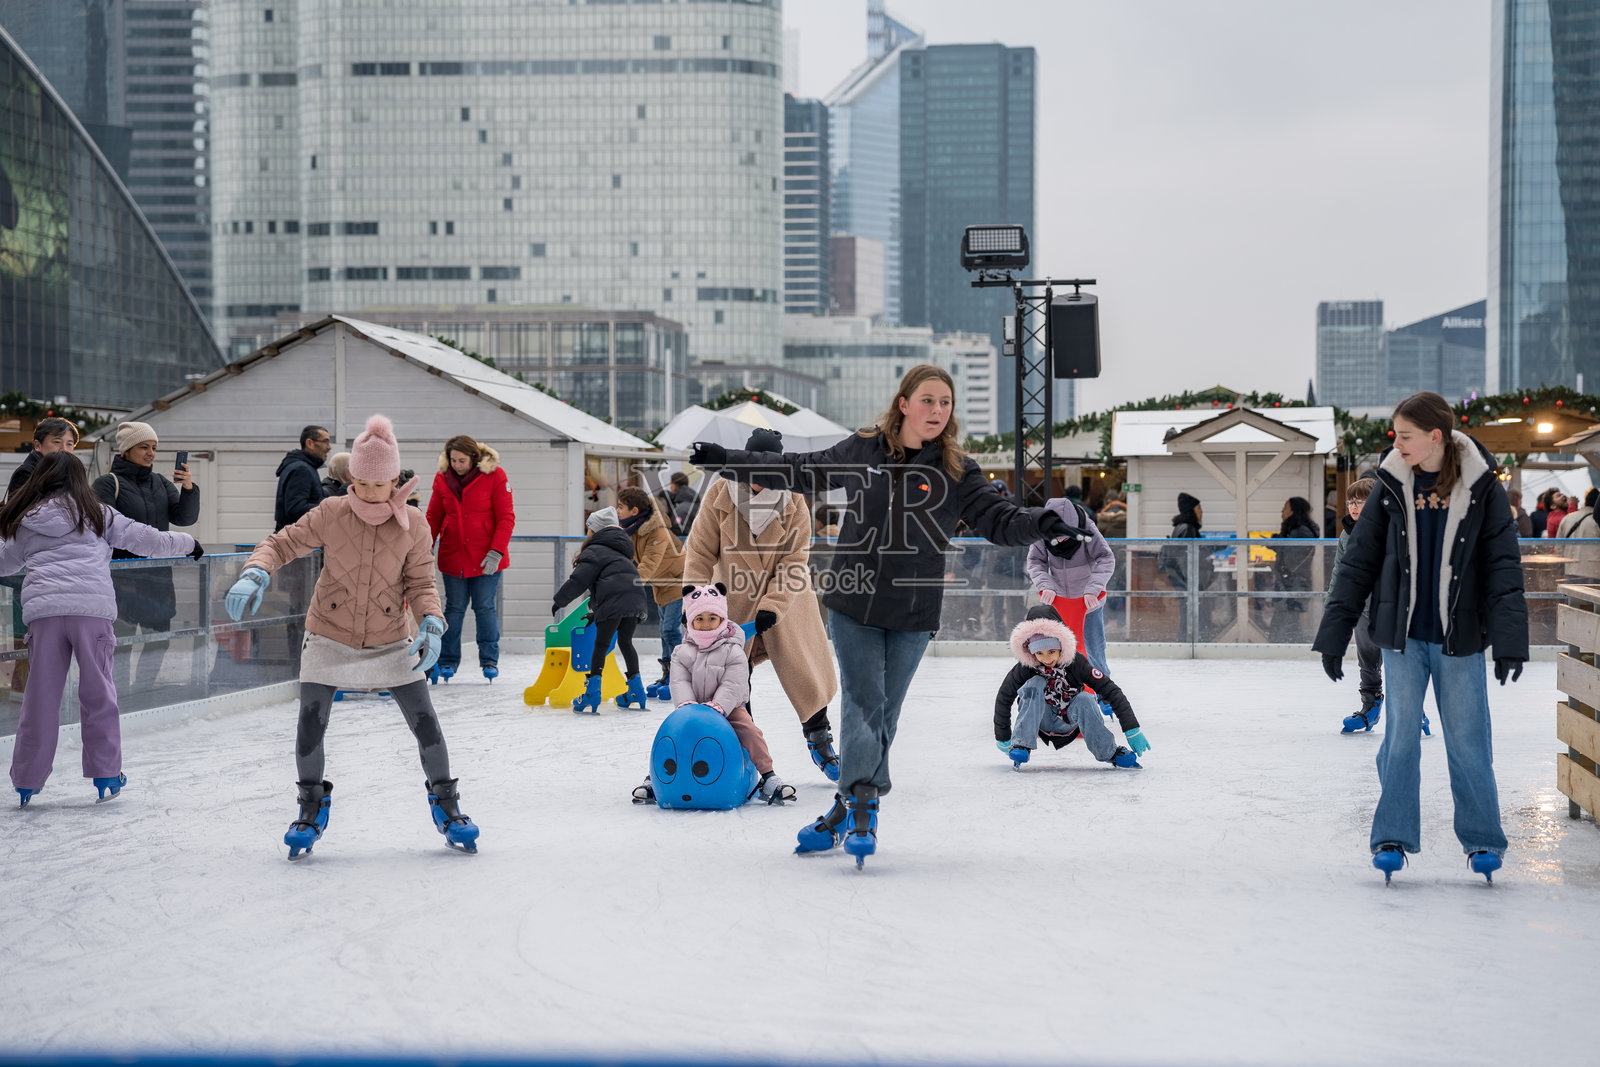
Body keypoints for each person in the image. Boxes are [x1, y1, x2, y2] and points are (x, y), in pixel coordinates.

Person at [688, 363, 1089, 866]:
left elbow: (1001, 521)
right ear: (904, 403)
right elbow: (800, 470)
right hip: (854, 606)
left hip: (914, 611)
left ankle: (842, 808)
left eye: (945, 403)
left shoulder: (957, 471)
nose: (937, 411)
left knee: (885, 714)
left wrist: (1045, 523)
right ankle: (862, 811)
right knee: (862, 704)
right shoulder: (864, 450)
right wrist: (728, 461)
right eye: (928, 400)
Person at [225, 414, 478, 857]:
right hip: (328, 633)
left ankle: (447, 805)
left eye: (376, 485)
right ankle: (309, 809)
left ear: (394, 480)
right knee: (310, 723)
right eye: (357, 483)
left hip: (390, 638)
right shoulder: (332, 512)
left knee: (427, 726)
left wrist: (432, 622)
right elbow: (282, 542)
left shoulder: (415, 524)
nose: (365, 492)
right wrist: (256, 569)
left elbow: (421, 584)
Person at [1313, 391, 1526, 884]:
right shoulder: (1390, 484)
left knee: (1470, 743)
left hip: (1461, 638)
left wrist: (1511, 638)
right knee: (1401, 739)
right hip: (1402, 639)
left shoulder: (1481, 486)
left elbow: (1502, 565)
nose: (1397, 443)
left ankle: (1482, 842)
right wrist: (1335, 631)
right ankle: (1391, 837)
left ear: (1435, 436)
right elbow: (1358, 563)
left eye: (1405, 435)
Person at [0, 452, 202, 807]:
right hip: (91, 613)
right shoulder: (98, 514)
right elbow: (148, 540)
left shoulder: (26, 519)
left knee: (40, 698)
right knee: (98, 694)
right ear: (79, 479)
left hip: (44, 614)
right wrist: (189, 544)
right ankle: (106, 774)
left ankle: (27, 780)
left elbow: (4, 562)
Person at [684, 428, 840, 781]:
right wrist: (694, 597)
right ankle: (742, 750)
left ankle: (820, 740)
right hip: (733, 602)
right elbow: (699, 551)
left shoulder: (794, 501)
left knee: (806, 679)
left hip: (785, 603)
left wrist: (773, 604)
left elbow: (795, 561)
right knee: (733, 680)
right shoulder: (720, 494)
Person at [632, 582, 796, 806]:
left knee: (749, 730)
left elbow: (734, 682)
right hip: (691, 707)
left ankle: (768, 776)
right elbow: (679, 680)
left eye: (712, 618)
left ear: (722, 619)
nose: (706, 624)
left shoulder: (733, 649)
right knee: (673, 735)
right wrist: (688, 704)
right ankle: (654, 780)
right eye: (700, 618)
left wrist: (719, 706)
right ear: (690, 621)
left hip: (729, 709)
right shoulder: (682, 652)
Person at [92, 420, 199, 693]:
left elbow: (184, 519)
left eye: (154, 447)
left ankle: (142, 694)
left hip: (158, 580)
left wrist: (188, 488)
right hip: (121, 580)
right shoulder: (107, 484)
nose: (151, 453)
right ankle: (116, 697)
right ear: (126, 449)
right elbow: (106, 529)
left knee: (158, 641)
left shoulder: (161, 482)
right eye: (144, 447)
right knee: (120, 645)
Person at [993, 603, 1146, 769]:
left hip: (1068, 721)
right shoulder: (1026, 667)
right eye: (1039, 653)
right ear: (1031, 652)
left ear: (1061, 645)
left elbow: (1109, 689)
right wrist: (1003, 736)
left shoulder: (1076, 662)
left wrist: (1132, 729)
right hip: (1039, 720)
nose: (1046, 659)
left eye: (1051, 651)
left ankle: (1109, 752)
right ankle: (1021, 745)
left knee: (1086, 699)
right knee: (1035, 683)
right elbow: (1004, 696)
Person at [425, 434, 514, 682]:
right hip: (454, 555)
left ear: (473, 458)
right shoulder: (442, 478)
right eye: (453, 460)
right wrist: (424, 547)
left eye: (462, 460)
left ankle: (489, 660)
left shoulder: (495, 475)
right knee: (453, 608)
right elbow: (433, 516)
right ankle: (447, 661)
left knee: (484, 607)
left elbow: (506, 517)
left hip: (487, 557)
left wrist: (496, 551)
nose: (457, 465)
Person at [553, 506, 650, 713]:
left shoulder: (595, 551)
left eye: (588, 529)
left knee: (601, 645)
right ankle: (636, 690)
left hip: (616, 602)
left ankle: (592, 693)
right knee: (625, 642)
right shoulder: (623, 553)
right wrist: (596, 612)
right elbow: (614, 585)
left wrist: (559, 600)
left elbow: (579, 580)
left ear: (595, 531)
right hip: (635, 600)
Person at [1328, 478, 1396, 734]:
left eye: (1360, 501)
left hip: (1390, 608)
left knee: (1398, 661)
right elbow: (1339, 571)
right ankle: (1371, 704)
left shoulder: (1391, 529)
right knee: (1368, 661)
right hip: (1362, 609)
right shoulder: (1347, 534)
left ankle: (1413, 710)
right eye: (1350, 502)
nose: (1354, 507)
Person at [1025, 488, 1115, 677]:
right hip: (1059, 604)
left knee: (1093, 651)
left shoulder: (1087, 528)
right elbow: (1035, 561)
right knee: (1059, 653)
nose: (1059, 539)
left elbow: (1106, 558)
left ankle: (1104, 698)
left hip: (1088, 604)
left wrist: (1093, 589)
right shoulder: (1042, 532)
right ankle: (1065, 693)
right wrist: (1045, 585)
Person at [616, 486, 685, 699]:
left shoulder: (657, 531)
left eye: (620, 507)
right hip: (661, 584)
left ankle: (679, 677)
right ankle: (667, 675)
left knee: (669, 630)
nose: (617, 510)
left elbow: (649, 563)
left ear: (634, 511)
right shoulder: (633, 529)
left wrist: (630, 585)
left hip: (678, 582)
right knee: (664, 632)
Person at [1158, 492, 1213, 641]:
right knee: (1192, 615)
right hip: (1188, 582)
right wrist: (1192, 582)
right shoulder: (1187, 529)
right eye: (1199, 508)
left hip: (1185, 582)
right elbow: (1184, 559)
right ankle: (1190, 643)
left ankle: (1188, 642)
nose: (1202, 512)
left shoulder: (1183, 528)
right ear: (1191, 510)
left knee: (1189, 615)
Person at [1269, 496, 1320, 642]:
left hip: (1293, 584)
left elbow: (1293, 557)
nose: (1282, 512)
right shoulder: (1295, 531)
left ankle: (1283, 648)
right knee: (1286, 621)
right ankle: (1283, 647)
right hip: (1290, 583)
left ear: (1293, 511)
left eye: (1285, 508)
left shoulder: (1300, 532)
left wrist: (1278, 544)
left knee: (1286, 622)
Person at [274, 425, 331, 531]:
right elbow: (296, 509)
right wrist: (329, 506)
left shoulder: (304, 467)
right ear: (310, 443)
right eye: (325, 442)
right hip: (296, 541)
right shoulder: (301, 469)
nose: (329, 447)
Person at [7, 416, 79, 497]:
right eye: (57, 442)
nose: (64, 449)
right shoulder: (26, 474)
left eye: (69, 444)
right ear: (37, 445)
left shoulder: (70, 473)